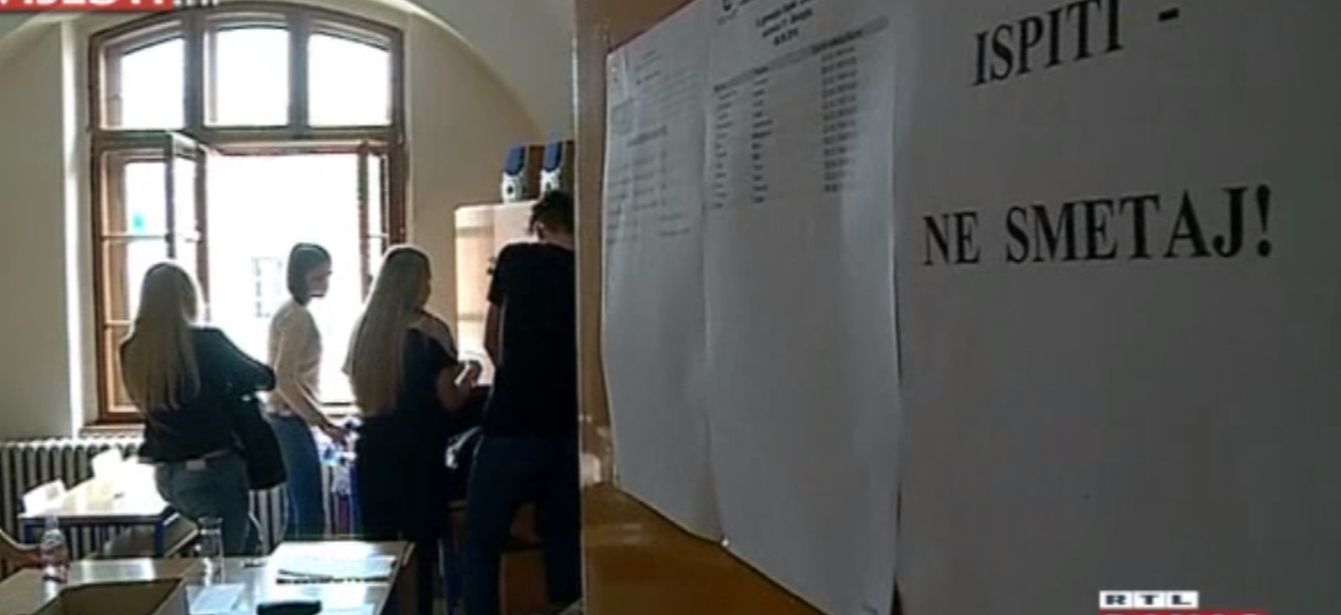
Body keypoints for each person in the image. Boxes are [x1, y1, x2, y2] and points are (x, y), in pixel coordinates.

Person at [346, 246, 481, 614]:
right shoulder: (431, 332)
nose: (430, 286)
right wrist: (470, 375)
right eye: (427, 279)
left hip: (372, 451)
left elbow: (361, 392)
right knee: (420, 554)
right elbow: (449, 401)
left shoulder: (365, 331)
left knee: (379, 554)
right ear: (416, 283)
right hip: (419, 455)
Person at [465, 190, 581, 615]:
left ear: (541, 225)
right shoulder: (589, 270)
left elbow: (490, 340)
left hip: (510, 426)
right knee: (565, 545)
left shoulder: (514, 258)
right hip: (569, 431)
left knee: (482, 543)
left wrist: (516, 376)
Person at [121, 262, 275, 556]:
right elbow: (265, 378)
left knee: (245, 541)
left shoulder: (131, 350)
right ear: (189, 298)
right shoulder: (207, 342)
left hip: (168, 474)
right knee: (228, 561)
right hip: (214, 467)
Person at [267, 243, 347, 540]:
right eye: (318, 277)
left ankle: (290, 564)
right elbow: (284, 378)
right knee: (309, 514)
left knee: (298, 512)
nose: (325, 283)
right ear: (300, 277)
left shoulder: (289, 312)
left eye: (327, 276)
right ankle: (306, 567)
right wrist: (322, 422)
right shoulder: (298, 317)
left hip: (285, 418)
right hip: (289, 419)